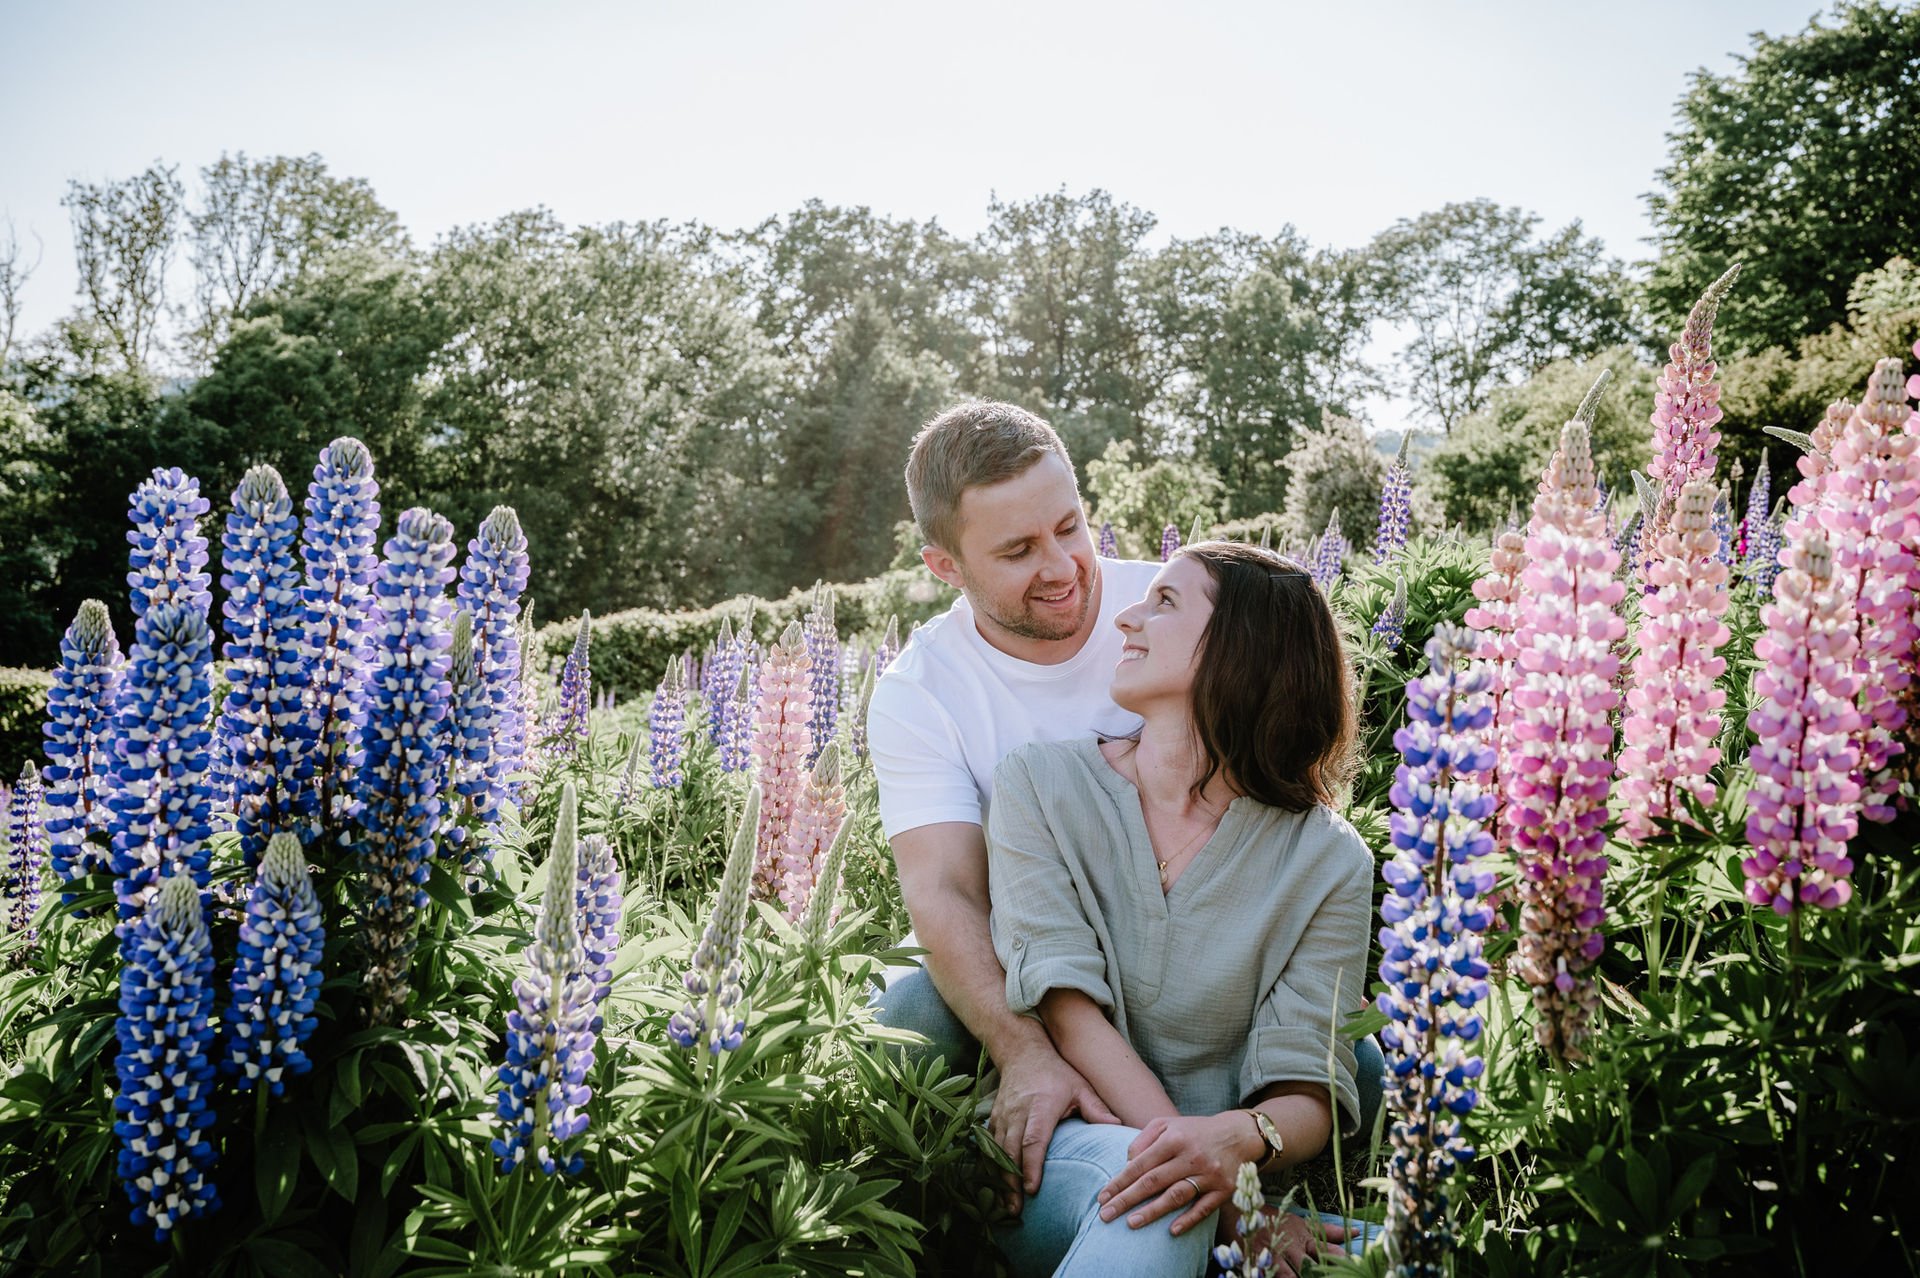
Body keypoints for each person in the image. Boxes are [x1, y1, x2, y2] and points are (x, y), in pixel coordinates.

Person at [865, 402, 1380, 1263]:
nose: (1067, 568)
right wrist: (1026, 1056)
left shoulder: (1185, 593)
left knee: (1362, 1062)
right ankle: (922, 1187)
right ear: (946, 567)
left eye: (1070, 527)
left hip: (1219, 1047)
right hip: (1057, 1019)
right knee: (916, 1007)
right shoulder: (945, 709)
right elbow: (946, 894)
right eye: (1018, 551)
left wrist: (1239, 1140)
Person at [986, 542, 1378, 1277]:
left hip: (1223, 1166)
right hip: (1063, 1148)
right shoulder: (1038, 785)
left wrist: (1238, 1142)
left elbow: (1308, 1086)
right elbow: (1069, 1015)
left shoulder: (1328, 858)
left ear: (1241, 647)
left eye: (1164, 602)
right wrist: (1242, 1212)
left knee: (1414, 1255)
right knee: (1161, 1205)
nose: (1126, 618)